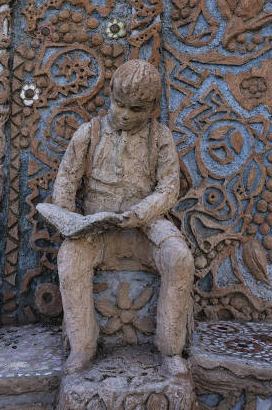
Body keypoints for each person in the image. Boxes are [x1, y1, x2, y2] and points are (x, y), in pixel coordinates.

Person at [52, 59, 194, 376]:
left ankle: (170, 349)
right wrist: (68, 218)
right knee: (69, 260)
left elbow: (169, 188)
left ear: (152, 108)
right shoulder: (87, 135)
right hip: (96, 231)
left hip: (145, 228)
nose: (126, 115)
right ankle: (82, 347)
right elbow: (65, 182)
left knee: (179, 258)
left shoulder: (161, 138)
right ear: (110, 97)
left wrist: (140, 213)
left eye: (136, 109)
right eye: (120, 105)